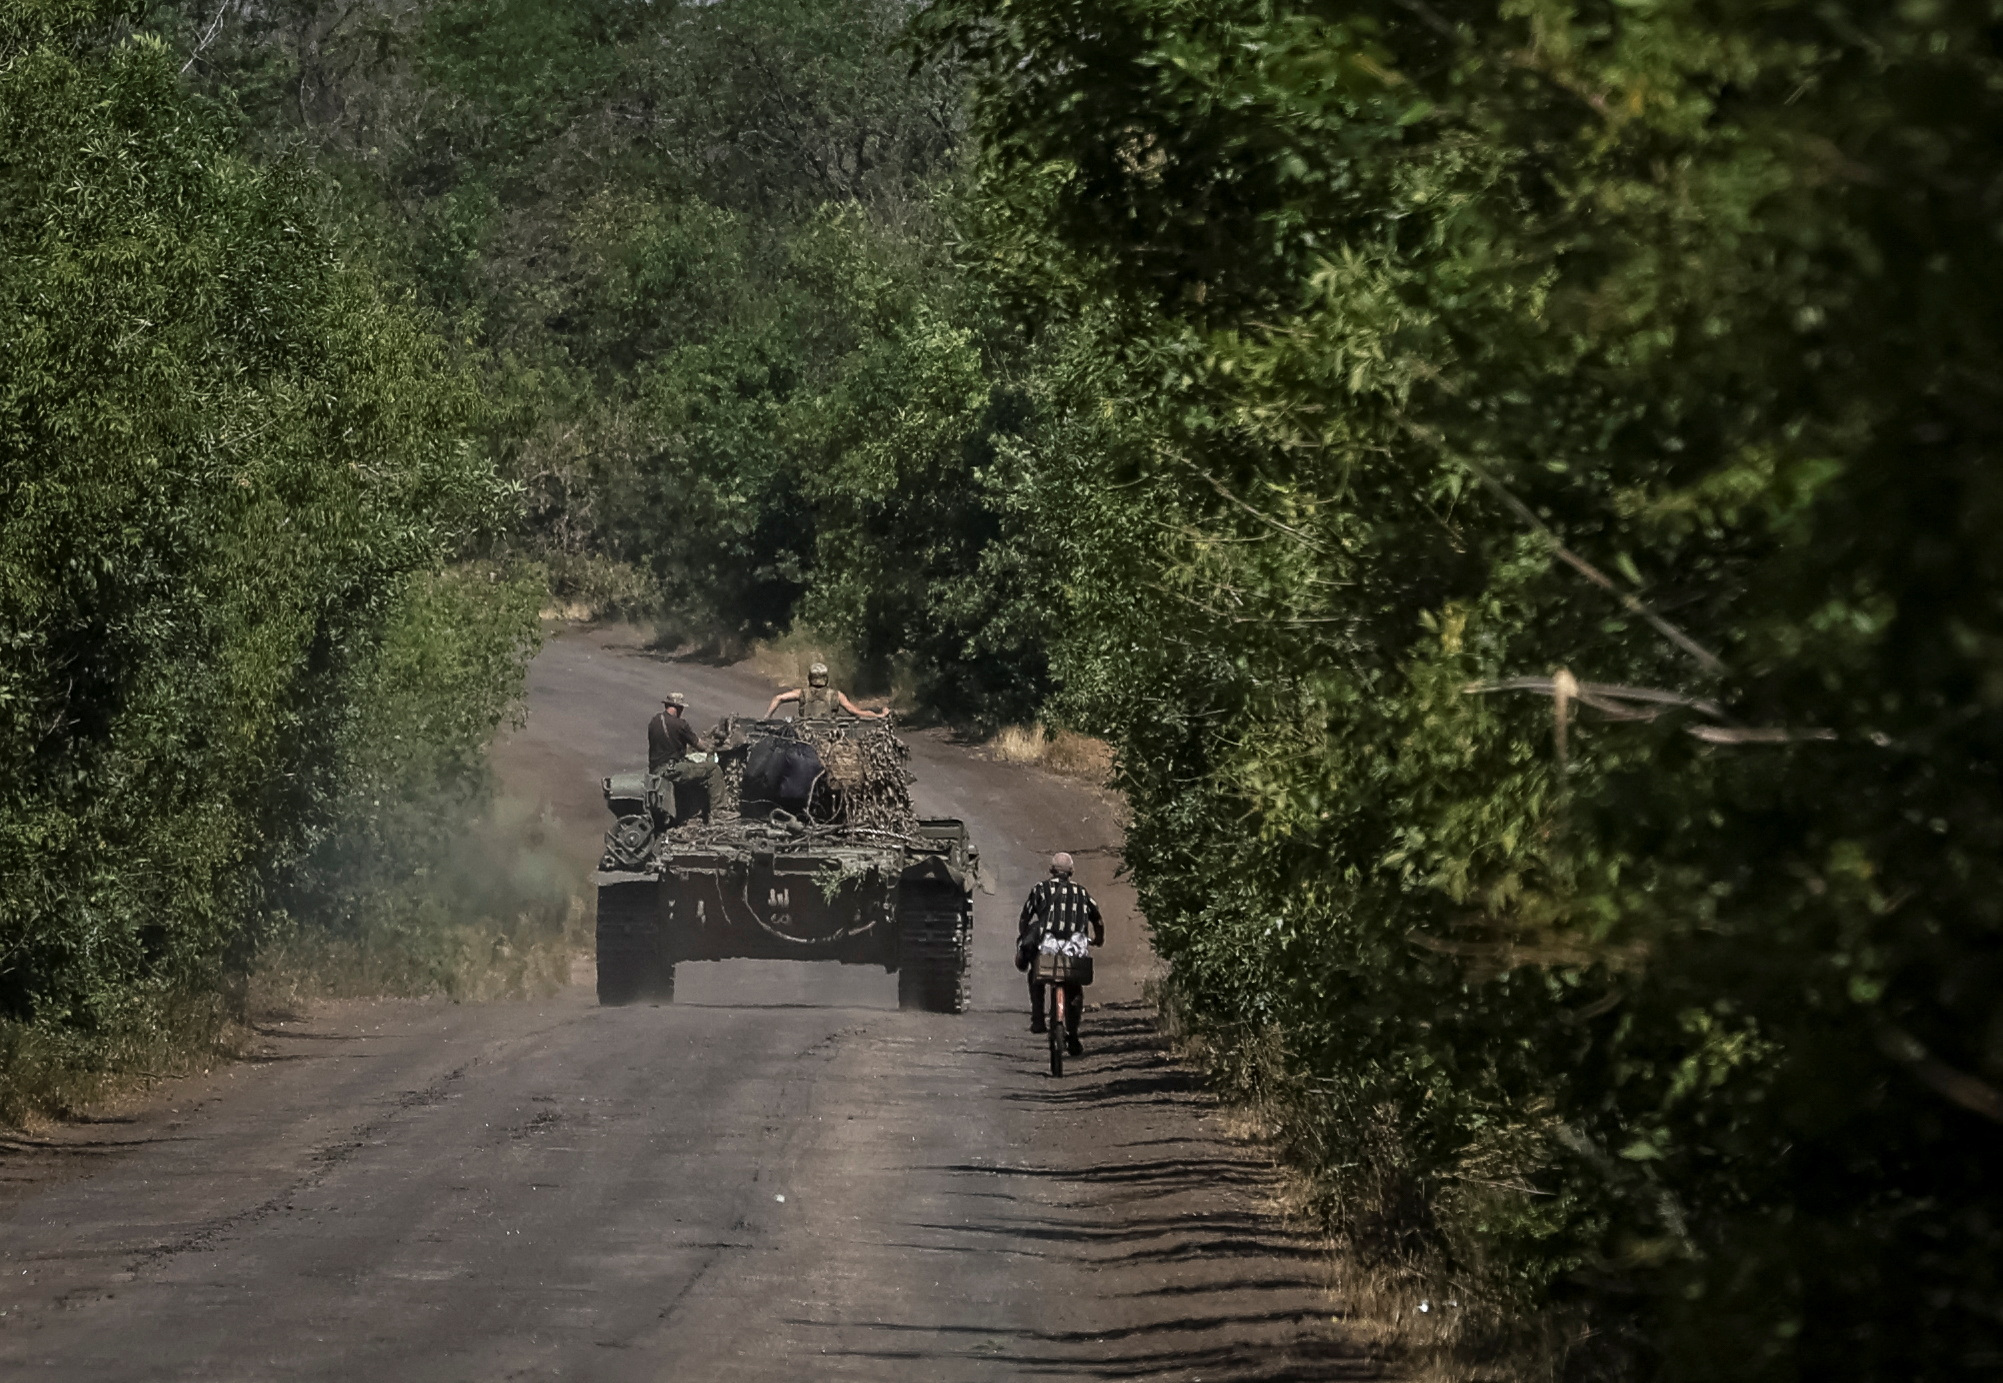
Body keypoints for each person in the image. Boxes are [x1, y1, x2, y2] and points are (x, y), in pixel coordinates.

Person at [1016, 852, 1104, 1054]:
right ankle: (1073, 1034)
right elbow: (1097, 920)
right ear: (1071, 872)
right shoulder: (1082, 893)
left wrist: (1024, 938)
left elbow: (1025, 917)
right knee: (1075, 990)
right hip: (1075, 950)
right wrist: (1098, 939)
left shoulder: (1040, 889)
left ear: (1051, 871)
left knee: (1035, 973)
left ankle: (1038, 1018)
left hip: (1048, 948)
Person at [647, 692, 723, 824]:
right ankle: (719, 813)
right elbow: (700, 746)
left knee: (691, 766)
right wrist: (714, 746)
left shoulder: (654, 721)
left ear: (666, 705)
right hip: (671, 770)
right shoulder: (680, 724)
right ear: (679, 708)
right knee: (713, 770)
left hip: (656, 769)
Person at [765, 662, 887, 721]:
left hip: (804, 733)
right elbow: (855, 711)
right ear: (826, 679)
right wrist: (878, 715)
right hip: (829, 735)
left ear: (810, 678)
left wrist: (766, 718)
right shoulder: (836, 695)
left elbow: (778, 698)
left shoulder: (801, 693)